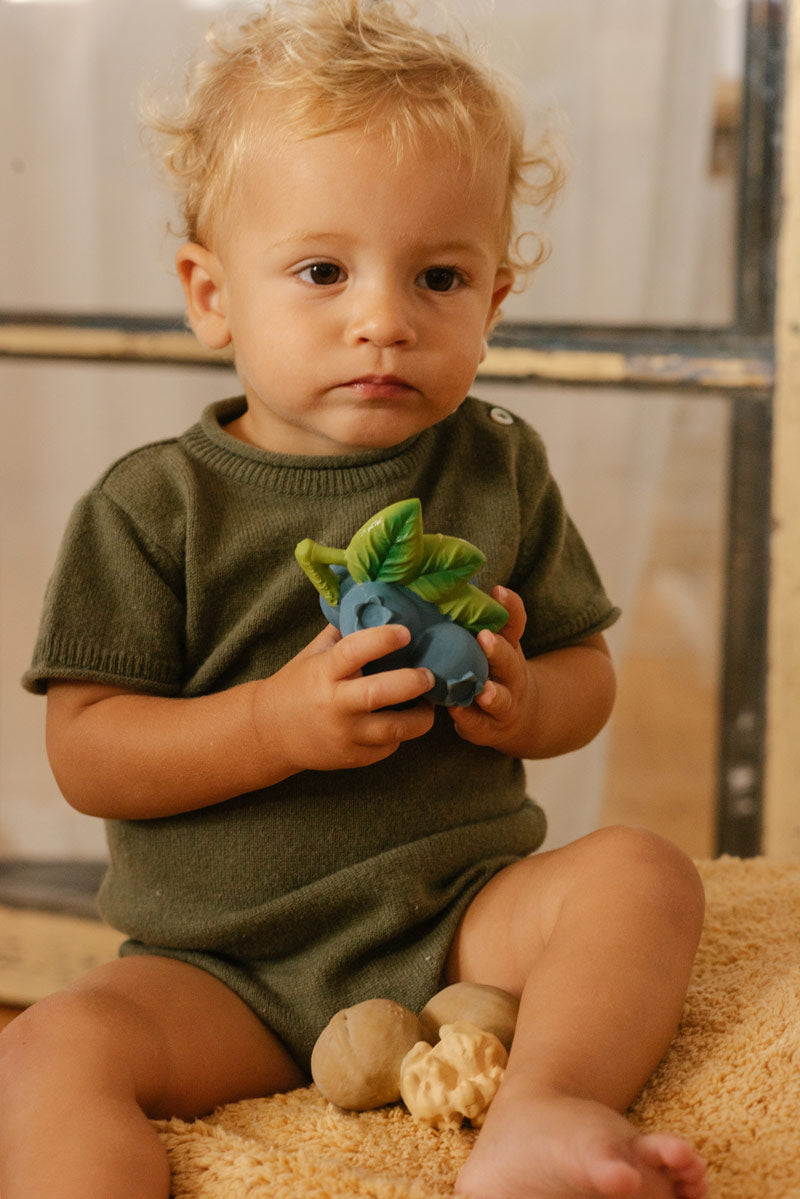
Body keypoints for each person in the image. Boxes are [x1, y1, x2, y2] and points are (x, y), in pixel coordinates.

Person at [0, 2, 708, 1197]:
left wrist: (526, 699)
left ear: (489, 305)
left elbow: (586, 676)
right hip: (220, 963)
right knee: (48, 1048)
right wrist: (272, 725)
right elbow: (89, 753)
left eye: (438, 275)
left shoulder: (496, 466)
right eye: (321, 270)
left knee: (641, 872)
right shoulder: (150, 506)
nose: (383, 316)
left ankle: (541, 1110)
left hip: (456, 918)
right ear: (212, 293)